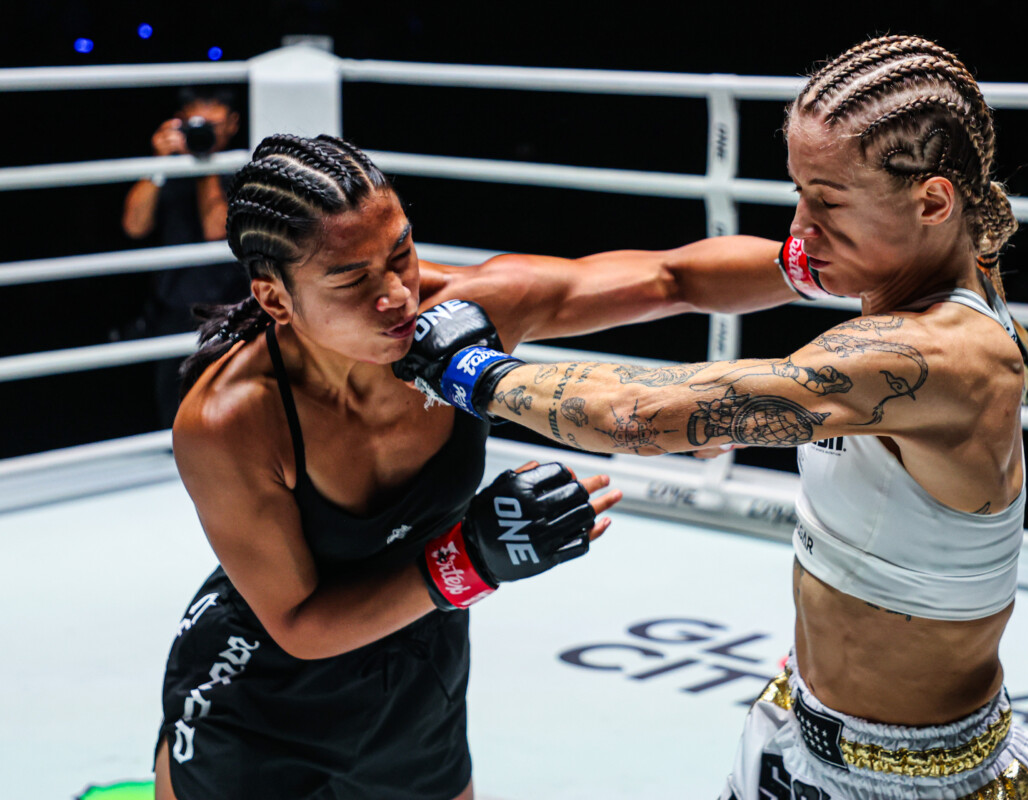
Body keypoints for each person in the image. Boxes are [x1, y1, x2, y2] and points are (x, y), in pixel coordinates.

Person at [399, 35, 1028, 800]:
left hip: (910, 783)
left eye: (828, 200)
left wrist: (463, 369)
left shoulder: (935, 354)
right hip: (801, 722)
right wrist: (443, 289)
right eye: (800, 193)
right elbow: (673, 277)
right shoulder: (901, 260)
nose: (802, 228)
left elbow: (636, 416)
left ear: (933, 203)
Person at [157, 133, 792, 800]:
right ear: (276, 298)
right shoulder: (230, 420)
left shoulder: (468, 309)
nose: (397, 295)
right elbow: (299, 623)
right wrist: (469, 561)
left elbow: (672, 278)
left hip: (420, 674)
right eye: (352, 279)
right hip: (257, 701)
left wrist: (816, 265)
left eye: (401, 253)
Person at [121, 88, 246, 428]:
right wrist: (159, 163)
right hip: (174, 312)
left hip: (231, 310)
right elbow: (134, 226)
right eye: (196, 125)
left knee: (229, 418)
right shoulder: (170, 169)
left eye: (212, 125)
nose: (204, 133)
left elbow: (216, 228)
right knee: (175, 421)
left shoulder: (243, 168)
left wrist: (206, 163)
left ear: (233, 123)